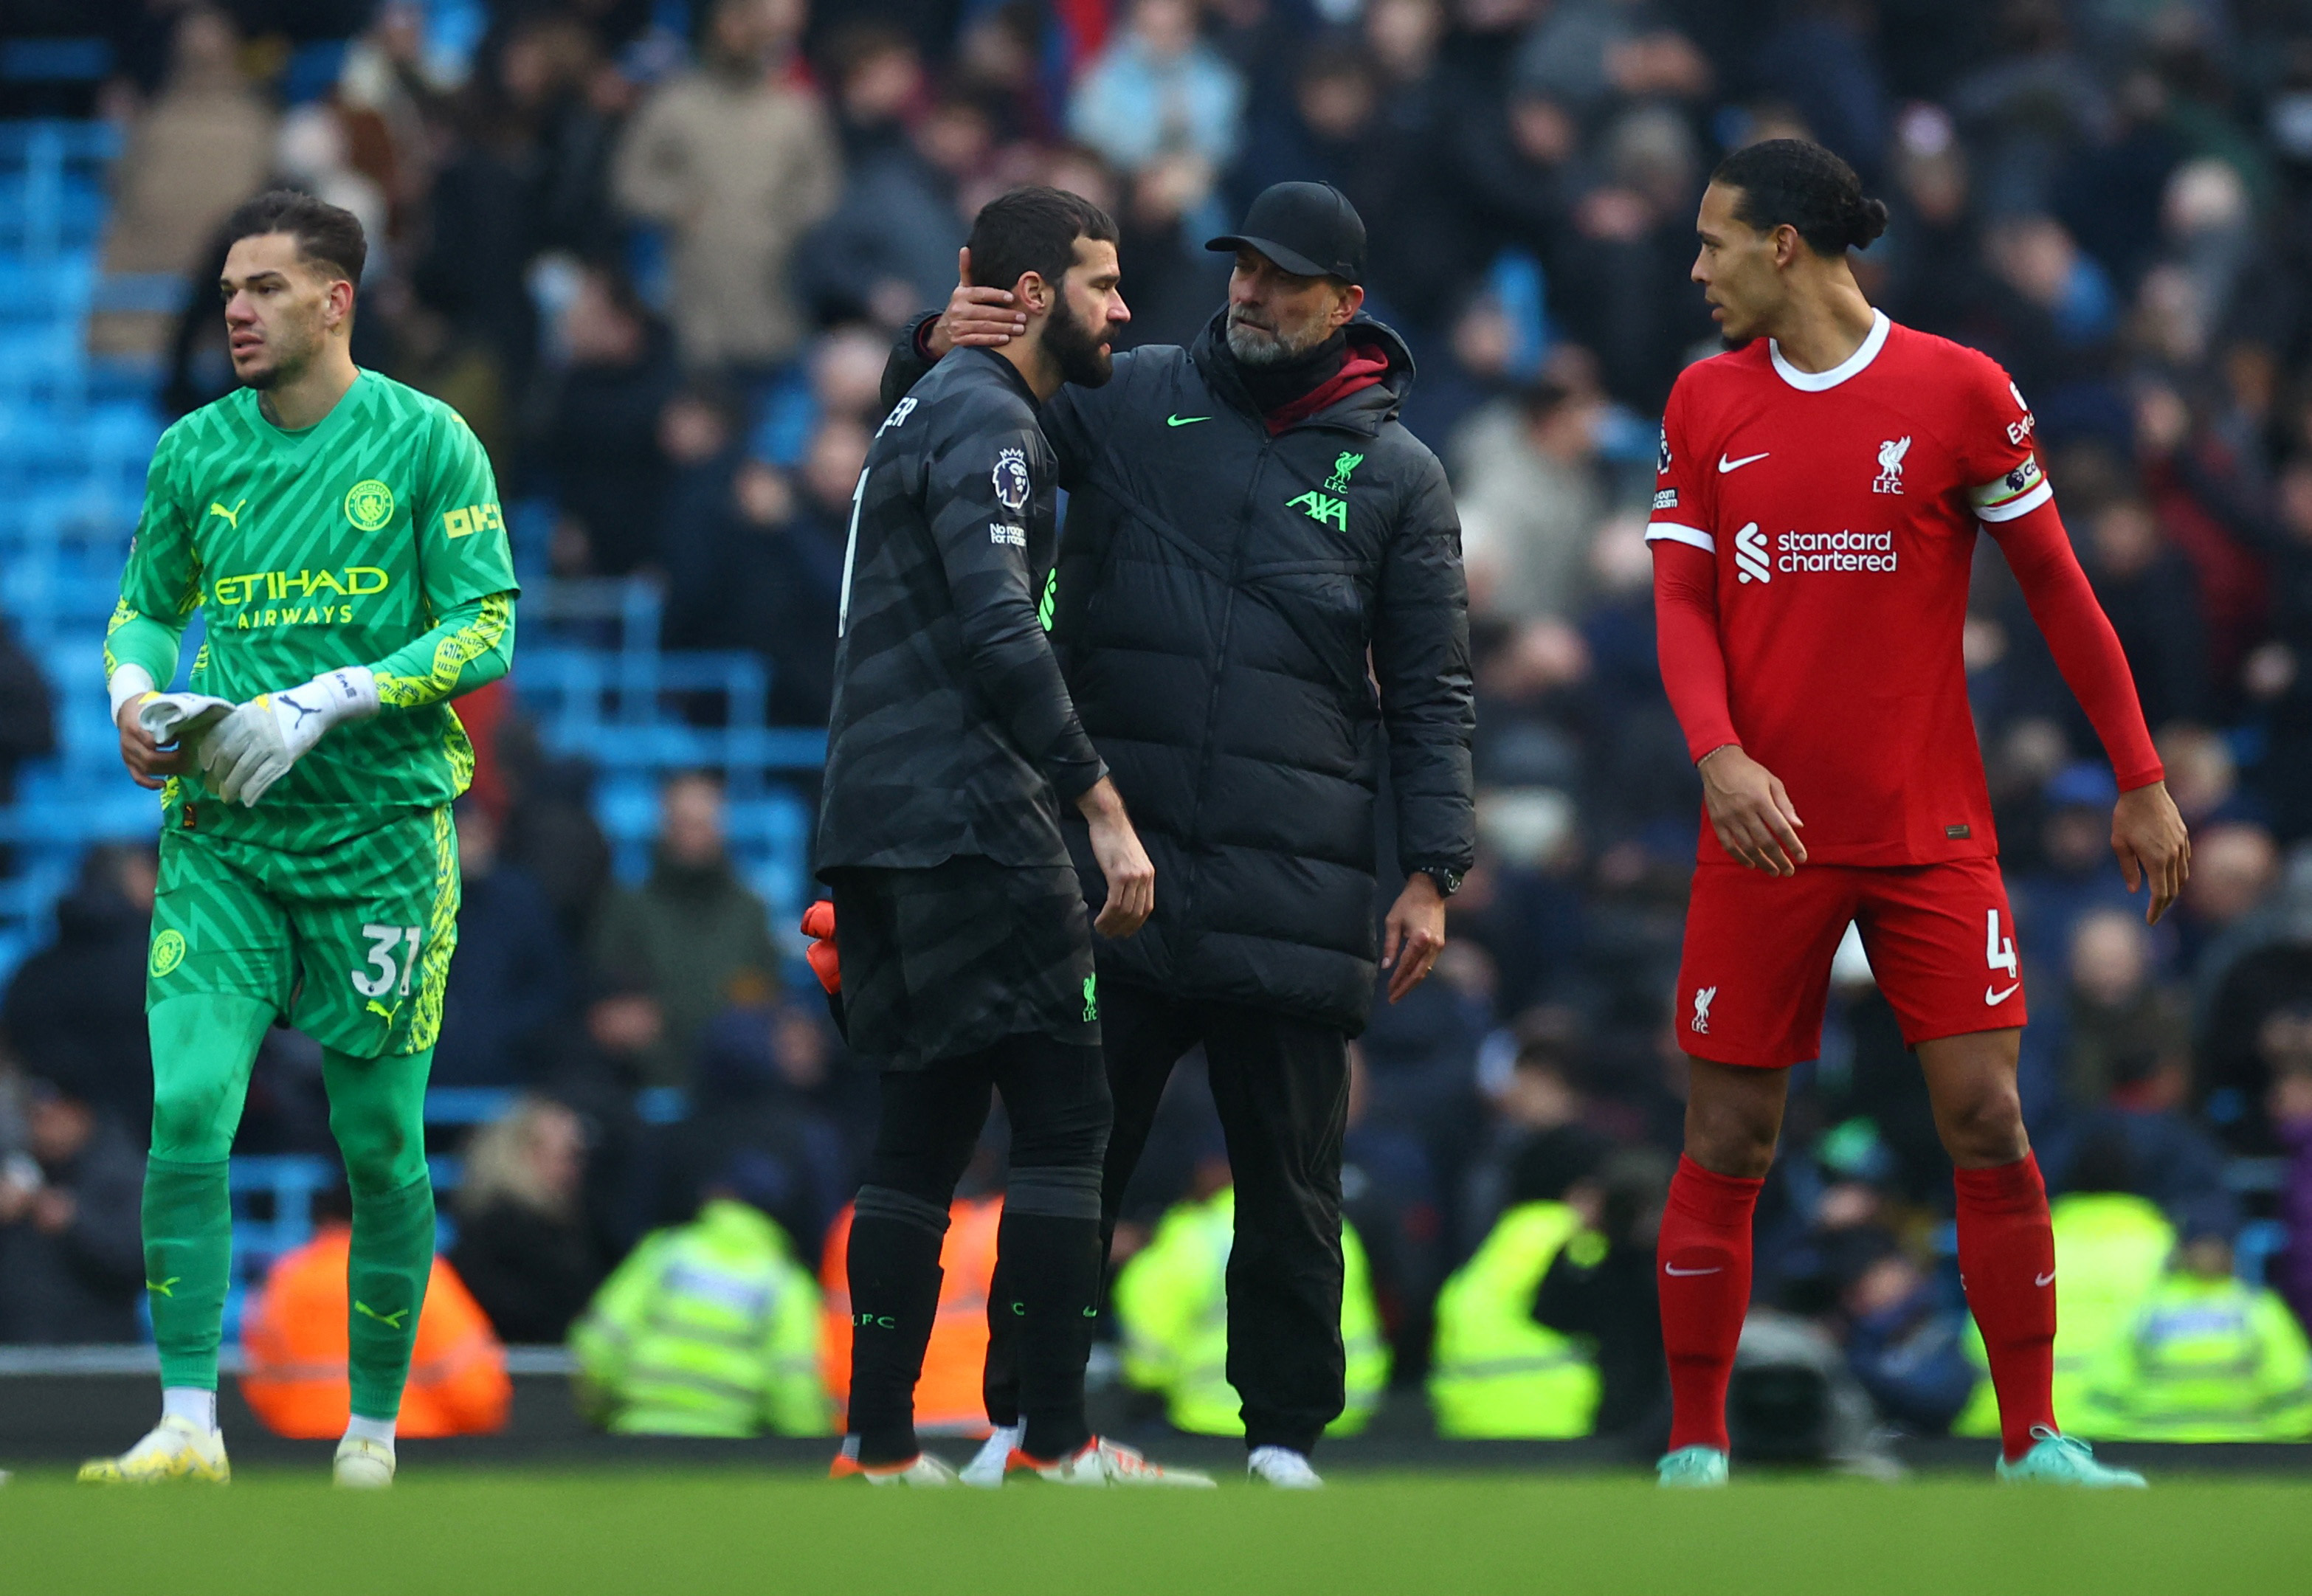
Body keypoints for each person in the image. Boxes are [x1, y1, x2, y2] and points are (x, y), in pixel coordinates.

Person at [888, 178, 1474, 1490]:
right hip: (1117, 867)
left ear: (1345, 304)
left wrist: (1432, 868)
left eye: (1279, 276)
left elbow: (1433, 685)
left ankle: (1278, 1442)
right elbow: (954, 423)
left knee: (1290, 1191)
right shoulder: (1126, 392)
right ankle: (1020, 1425)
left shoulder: (1396, 476)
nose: (1249, 292)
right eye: (1241, 268)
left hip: (1299, 872)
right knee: (1066, 1166)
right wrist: (925, 343)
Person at [1644, 139, 2187, 1489]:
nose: (1694, 266)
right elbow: (1678, 607)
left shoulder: (1958, 389)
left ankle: (2030, 1438)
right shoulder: (1704, 400)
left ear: (1783, 245)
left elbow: (2059, 588)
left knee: (1986, 1118)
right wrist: (1716, 755)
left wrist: (2137, 773)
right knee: (1728, 1138)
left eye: (1713, 241)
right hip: (1761, 830)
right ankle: (1695, 1447)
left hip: (1925, 828)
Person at [86, 190, 520, 1489]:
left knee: (377, 1145)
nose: (234, 307)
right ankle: (184, 1426)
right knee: (188, 1105)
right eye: (229, 285)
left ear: (337, 300)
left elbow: (485, 627)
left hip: (380, 836)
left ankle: (373, 1438)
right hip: (225, 830)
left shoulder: (429, 441)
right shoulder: (195, 452)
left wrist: (322, 699)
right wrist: (130, 698)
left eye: (265, 286)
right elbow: (143, 613)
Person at [815, 186, 1199, 1488]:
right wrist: (1097, 803)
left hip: (873, 809)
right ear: (1031, 295)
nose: (1122, 307)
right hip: (972, 809)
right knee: (1063, 1116)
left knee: (920, 1126)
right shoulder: (990, 420)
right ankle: (1050, 1441)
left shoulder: (924, 401)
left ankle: (874, 1450)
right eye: (1101, 282)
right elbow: (996, 626)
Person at [570, 1155, 828, 1437]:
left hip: (639, 1432)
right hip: (730, 1448)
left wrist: (601, 1416)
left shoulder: (666, 1254)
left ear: (718, 1196)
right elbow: (795, 1384)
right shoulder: (785, 1282)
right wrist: (806, 1451)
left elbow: (598, 1344)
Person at [590, 772, 779, 1089]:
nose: (691, 837)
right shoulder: (628, 906)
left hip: (732, 1084)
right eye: (682, 823)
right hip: (643, 1079)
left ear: (721, 827)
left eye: (702, 824)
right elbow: (605, 996)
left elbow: (763, 994)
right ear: (664, 826)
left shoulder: (750, 911)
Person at [0, 1062, 147, 1344]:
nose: (40, 1127)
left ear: (80, 1113)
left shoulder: (120, 1171)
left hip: (96, 1350)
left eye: (51, 1116)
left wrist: (75, 1223)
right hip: (17, 1348)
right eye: (34, 1117)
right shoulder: (18, 1167)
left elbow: (139, 1260)